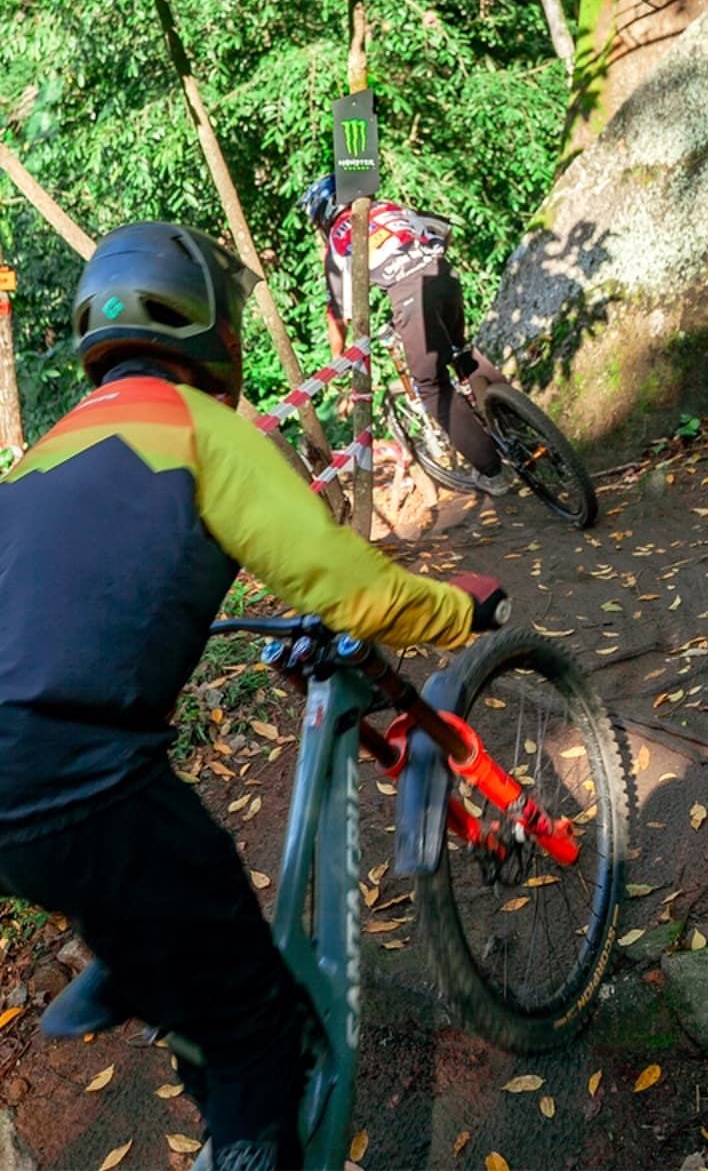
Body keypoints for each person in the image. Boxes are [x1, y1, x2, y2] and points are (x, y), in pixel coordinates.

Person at [0, 223, 510, 1170]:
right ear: (216, 332)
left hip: (22, 796)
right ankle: (250, 1137)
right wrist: (452, 613)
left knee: (147, 894)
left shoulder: (30, 467)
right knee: (252, 1022)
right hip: (79, 774)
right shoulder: (200, 429)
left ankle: (146, 966)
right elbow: (343, 584)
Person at [298, 175, 507, 492]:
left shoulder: (339, 239)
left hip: (409, 295)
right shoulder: (388, 208)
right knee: (462, 351)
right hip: (445, 276)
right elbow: (443, 230)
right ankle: (519, 426)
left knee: (431, 385)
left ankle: (492, 472)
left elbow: (338, 313)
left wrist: (338, 357)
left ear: (324, 213)